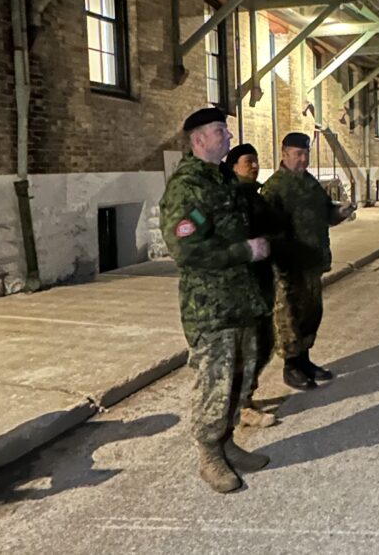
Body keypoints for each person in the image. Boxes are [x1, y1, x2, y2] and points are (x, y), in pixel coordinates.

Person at [159, 107, 271, 494]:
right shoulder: (187, 186)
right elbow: (186, 251)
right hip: (211, 305)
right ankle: (209, 454)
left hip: (242, 298)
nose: (227, 135)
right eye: (219, 130)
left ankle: (227, 442)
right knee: (215, 381)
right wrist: (245, 251)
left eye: (225, 128)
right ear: (198, 140)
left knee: (241, 376)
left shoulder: (224, 178)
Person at [261, 132, 356, 391]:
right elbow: (267, 229)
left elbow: (326, 213)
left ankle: (305, 360)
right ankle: (291, 366)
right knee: (289, 317)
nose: (303, 159)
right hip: (289, 267)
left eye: (306, 154)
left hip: (312, 262)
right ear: (284, 153)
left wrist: (340, 212)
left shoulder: (310, 183)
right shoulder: (274, 188)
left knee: (311, 314)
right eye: (297, 154)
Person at [223, 143, 278, 428]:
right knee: (246, 349)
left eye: (256, 160)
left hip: (262, 281)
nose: (254, 165)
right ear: (234, 166)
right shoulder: (231, 198)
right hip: (242, 287)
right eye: (248, 161)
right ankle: (240, 406)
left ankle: (247, 395)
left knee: (265, 344)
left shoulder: (256, 197)